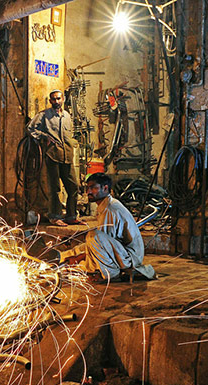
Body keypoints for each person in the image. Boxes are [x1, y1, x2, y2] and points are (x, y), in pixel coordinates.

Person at [59, 173, 156, 282]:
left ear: (105, 188)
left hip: (129, 257)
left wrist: (77, 259)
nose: (88, 192)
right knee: (82, 246)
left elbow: (101, 246)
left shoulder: (110, 209)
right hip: (120, 250)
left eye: (93, 188)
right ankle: (59, 258)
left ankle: (111, 273)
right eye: (88, 188)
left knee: (92, 237)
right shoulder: (105, 204)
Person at [27, 89, 82, 226]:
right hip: (52, 155)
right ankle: (55, 216)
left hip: (67, 155)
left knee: (73, 187)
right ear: (50, 101)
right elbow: (30, 128)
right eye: (54, 99)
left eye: (58, 98)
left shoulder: (67, 116)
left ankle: (71, 216)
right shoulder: (45, 115)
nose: (56, 101)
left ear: (63, 99)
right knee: (55, 188)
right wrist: (44, 136)